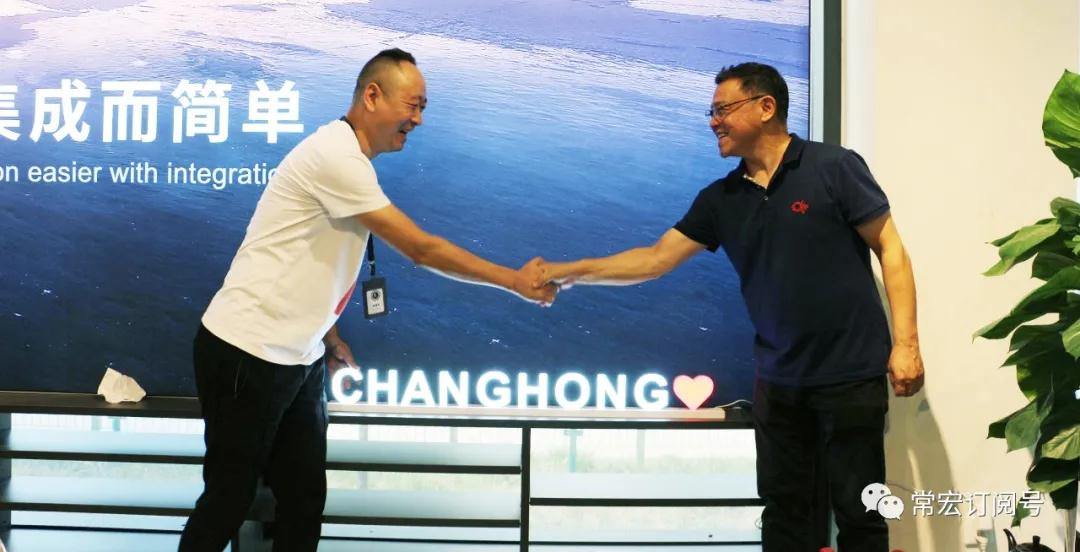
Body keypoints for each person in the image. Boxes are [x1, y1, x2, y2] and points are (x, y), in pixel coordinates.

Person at [179, 48, 556, 551]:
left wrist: (329, 336)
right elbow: (422, 249)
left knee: (303, 499)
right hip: (248, 351)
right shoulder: (336, 158)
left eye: (423, 108)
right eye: (413, 106)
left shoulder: (348, 159)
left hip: (300, 356)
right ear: (372, 96)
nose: (418, 120)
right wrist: (512, 280)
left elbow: (306, 254)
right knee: (229, 499)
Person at [537, 62, 923, 552]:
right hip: (778, 382)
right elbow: (654, 260)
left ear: (766, 107)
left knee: (860, 514)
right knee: (784, 513)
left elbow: (890, 248)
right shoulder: (722, 199)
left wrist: (906, 344)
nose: (713, 122)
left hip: (850, 374)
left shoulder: (834, 167)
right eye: (712, 113)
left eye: (723, 110)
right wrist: (567, 270)